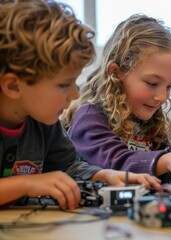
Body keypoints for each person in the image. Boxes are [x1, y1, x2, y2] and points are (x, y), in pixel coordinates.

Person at [0, 0, 161, 210]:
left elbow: (68, 166)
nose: (75, 94)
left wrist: (106, 175)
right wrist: (24, 184)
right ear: (13, 85)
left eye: (74, 82)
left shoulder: (43, 123)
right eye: (64, 84)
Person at [61, 14, 171, 193]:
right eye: (152, 84)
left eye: (169, 86)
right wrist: (169, 159)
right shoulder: (89, 118)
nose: (162, 97)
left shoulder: (148, 123)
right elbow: (118, 162)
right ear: (115, 73)